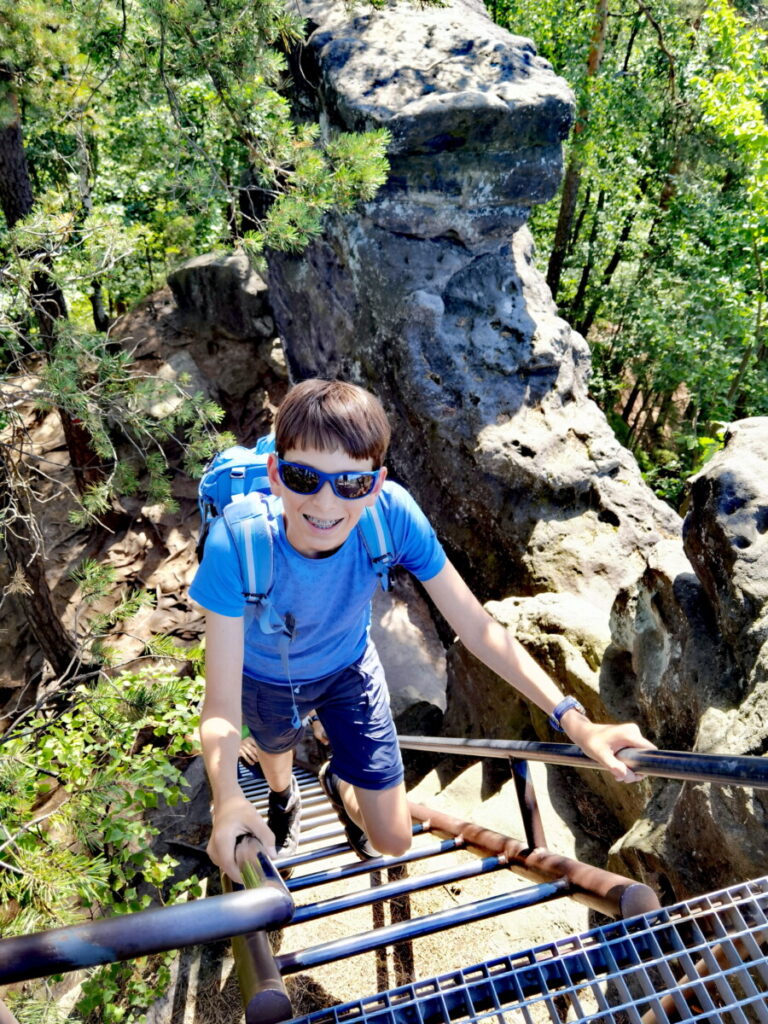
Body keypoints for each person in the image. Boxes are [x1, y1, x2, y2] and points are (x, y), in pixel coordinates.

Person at [190, 378, 655, 883]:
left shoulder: (392, 516)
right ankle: (283, 797)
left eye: (350, 483)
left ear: (376, 483)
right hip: (265, 678)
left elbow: (479, 629)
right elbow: (220, 707)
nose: (326, 503)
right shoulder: (237, 542)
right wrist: (229, 799)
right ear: (276, 476)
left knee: (393, 840)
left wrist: (576, 722)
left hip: (347, 669)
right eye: (306, 478)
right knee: (276, 761)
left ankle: (337, 780)